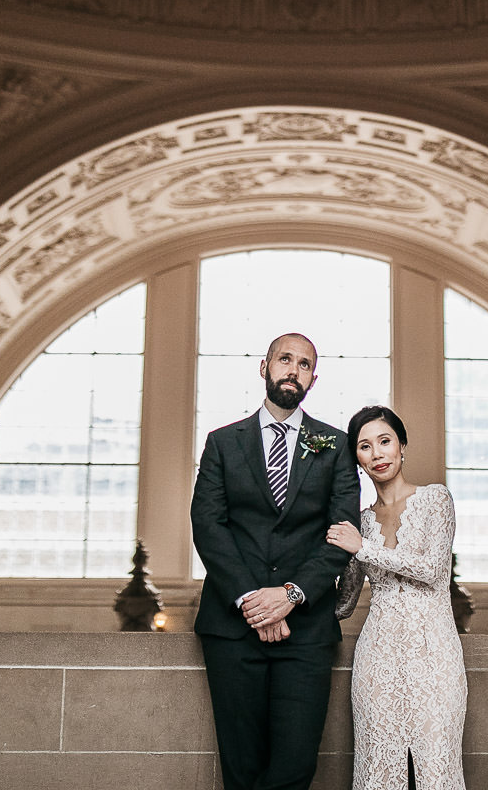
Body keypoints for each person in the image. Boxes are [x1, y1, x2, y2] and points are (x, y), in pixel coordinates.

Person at [191, 332, 360, 790]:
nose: (293, 369)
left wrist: (290, 595)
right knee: (241, 767)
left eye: (304, 364)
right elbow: (208, 525)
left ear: (313, 378)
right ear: (263, 367)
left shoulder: (336, 444)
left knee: (294, 764)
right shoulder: (222, 443)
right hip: (232, 628)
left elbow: (342, 535)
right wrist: (253, 601)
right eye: (284, 359)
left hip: (305, 630)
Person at [326, 406, 467, 790]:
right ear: (357, 459)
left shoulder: (436, 499)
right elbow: (344, 602)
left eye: (385, 441)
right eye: (365, 446)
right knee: (377, 773)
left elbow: (433, 570)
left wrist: (363, 548)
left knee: (438, 770)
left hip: (435, 656)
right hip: (378, 660)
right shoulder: (360, 521)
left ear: (402, 446)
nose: (378, 454)